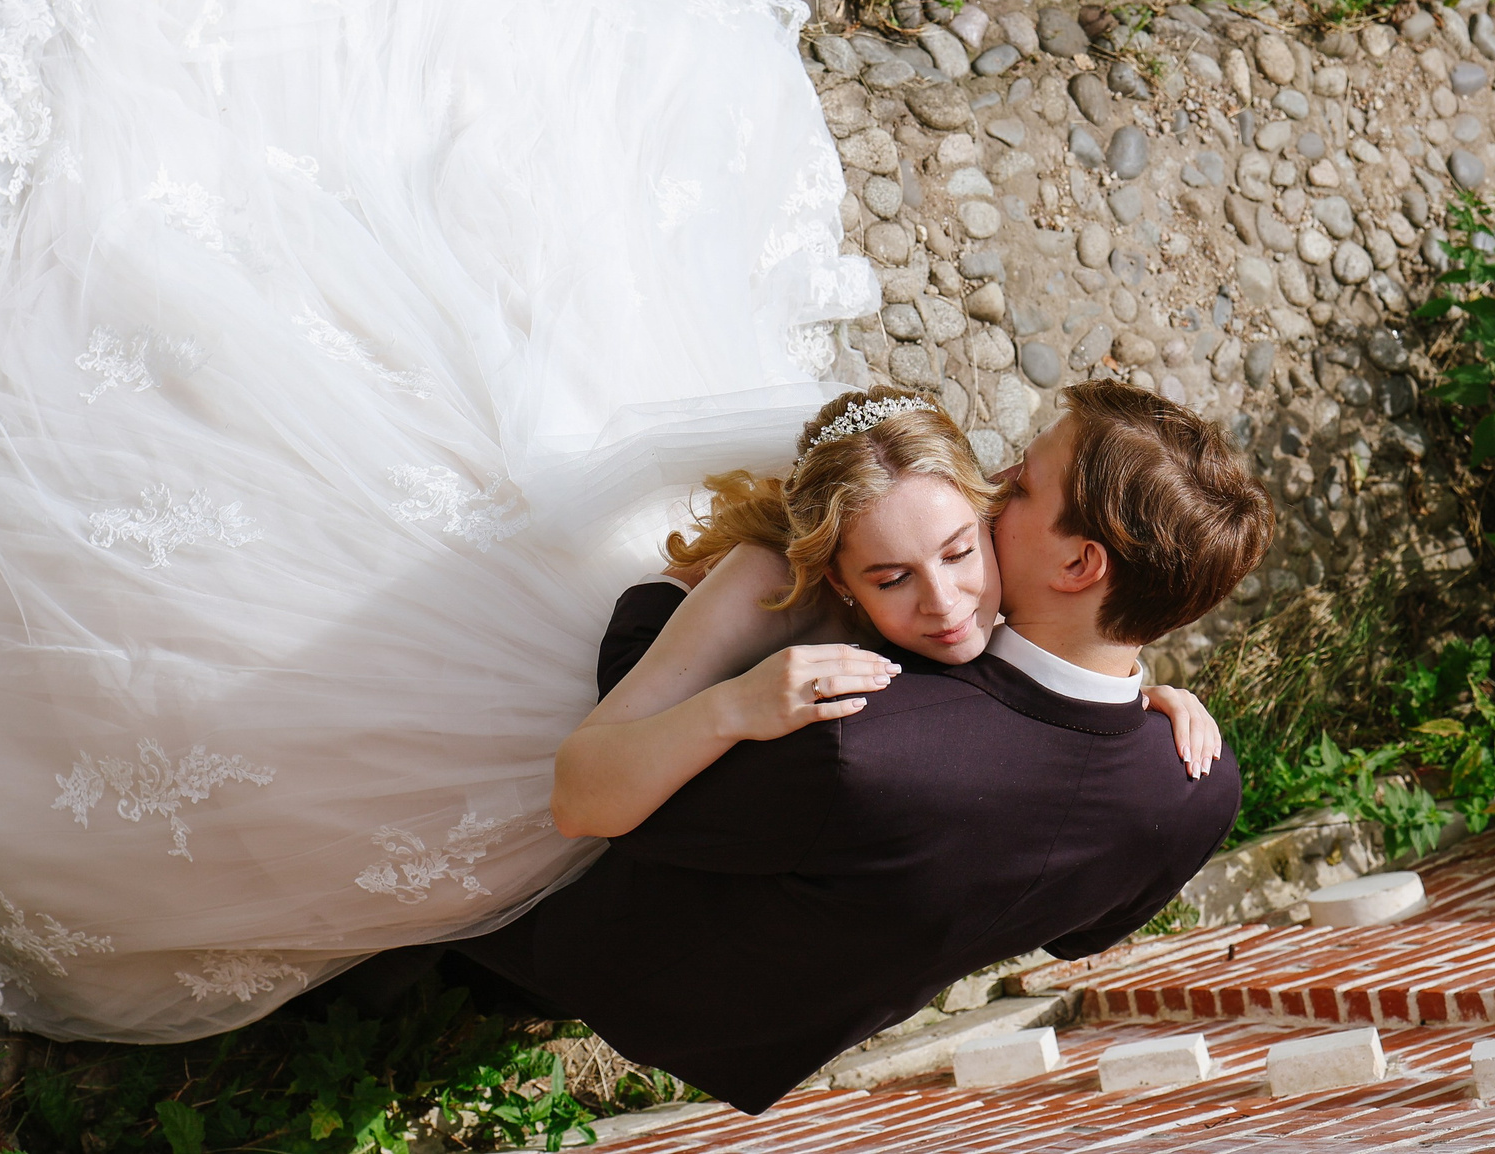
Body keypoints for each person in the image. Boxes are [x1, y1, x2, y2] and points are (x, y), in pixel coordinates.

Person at [0, 0, 876, 1041]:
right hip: (639, 629)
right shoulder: (862, 570)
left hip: (591, 706)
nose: (941, 589)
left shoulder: (906, 655)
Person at [454, 380, 1273, 1112]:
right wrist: (1137, 691)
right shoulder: (1202, 786)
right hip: (775, 1027)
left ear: (1080, 562)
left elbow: (615, 813)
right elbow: (1078, 935)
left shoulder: (858, 742)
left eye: (1020, 485)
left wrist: (713, 649)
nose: (994, 489)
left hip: (605, 955)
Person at [549, 388, 1225, 844]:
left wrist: (1139, 694)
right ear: (841, 582)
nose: (945, 602)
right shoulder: (772, 583)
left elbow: (1072, 647)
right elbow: (577, 801)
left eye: (960, 552)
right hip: (653, 675)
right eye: (893, 578)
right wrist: (735, 706)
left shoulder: (998, 541)